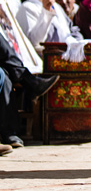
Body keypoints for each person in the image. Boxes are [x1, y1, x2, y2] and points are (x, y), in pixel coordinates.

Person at [0, 9, 59, 148]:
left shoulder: (7, 4)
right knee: (5, 72)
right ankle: (28, 81)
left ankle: (9, 134)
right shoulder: (26, 7)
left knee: (5, 74)